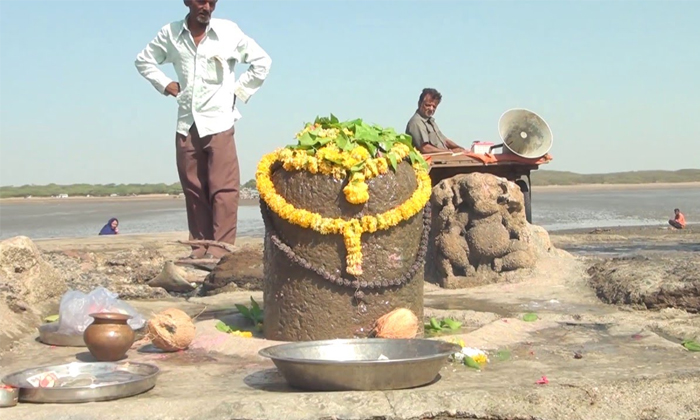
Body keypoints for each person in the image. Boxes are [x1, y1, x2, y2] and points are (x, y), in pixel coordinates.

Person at [134, 0, 272, 260]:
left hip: (219, 121)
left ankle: (220, 249)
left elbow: (262, 62)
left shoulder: (228, 32)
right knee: (194, 189)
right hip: (187, 122)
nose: (207, 7)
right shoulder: (171, 34)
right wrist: (165, 84)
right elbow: (143, 61)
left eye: (212, 2)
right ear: (187, 2)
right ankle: (199, 247)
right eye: (201, 1)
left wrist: (239, 91)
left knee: (224, 189)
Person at [405, 88, 466, 154]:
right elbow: (424, 148)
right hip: (431, 162)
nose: (431, 109)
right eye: (428, 105)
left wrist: (460, 149)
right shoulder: (416, 122)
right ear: (419, 103)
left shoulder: (431, 122)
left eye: (434, 106)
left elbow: (445, 141)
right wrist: (449, 152)